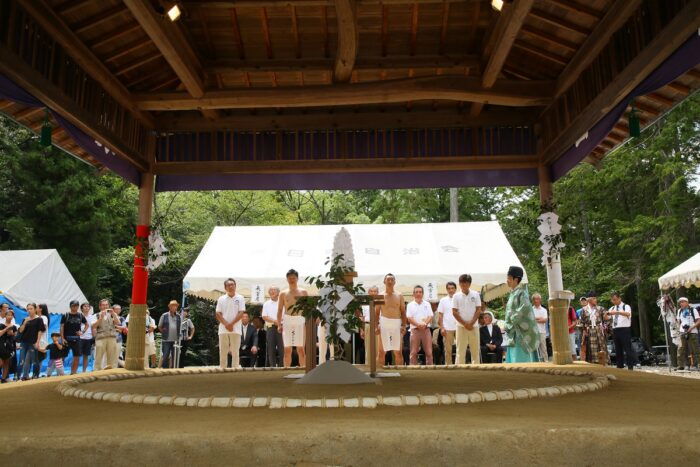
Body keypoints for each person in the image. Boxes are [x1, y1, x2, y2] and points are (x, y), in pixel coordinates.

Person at [504, 266, 539, 363]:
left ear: (516, 279)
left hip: (520, 330)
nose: (507, 281)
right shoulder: (513, 293)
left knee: (521, 357)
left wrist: (511, 319)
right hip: (513, 330)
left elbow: (524, 309)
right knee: (514, 355)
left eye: (509, 278)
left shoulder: (522, 293)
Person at [278, 269, 308, 368]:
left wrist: (308, 323)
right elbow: (279, 310)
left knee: (301, 349)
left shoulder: (303, 292)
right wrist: (279, 324)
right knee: (287, 349)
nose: (292, 280)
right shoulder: (283, 293)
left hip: (300, 320)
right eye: (290, 278)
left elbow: (308, 308)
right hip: (287, 320)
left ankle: (303, 369)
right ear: (287, 279)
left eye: (293, 278)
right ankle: (286, 369)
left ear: (297, 278)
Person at [375, 273, 406, 366]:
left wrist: (404, 325)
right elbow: (376, 313)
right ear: (384, 281)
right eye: (388, 279)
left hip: (396, 323)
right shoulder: (380, 295)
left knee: (398, 352)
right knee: (381, 352)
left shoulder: (399, 295)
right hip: (384, 322)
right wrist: (376, 326)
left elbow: (403, 312)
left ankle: (400, 372)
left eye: (392, 279)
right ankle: (380, 372)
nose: (390, 281)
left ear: (395, 282)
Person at [452, 274, 482, 365]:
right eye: (461, 284)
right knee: (460, 350)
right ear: (459, 284)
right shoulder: (456, 296)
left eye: (465, 284)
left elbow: (478, 309)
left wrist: (471, 323)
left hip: (474, 326)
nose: (463, 286)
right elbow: (454, 312)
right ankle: (459, 370)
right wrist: (465, 324)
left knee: (475, 350)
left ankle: (476, 369)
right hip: (461, 327)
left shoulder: (476, 294)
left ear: (469, 284)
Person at [216, 278, 245, 369]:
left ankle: (235, 369)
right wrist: (226, 324)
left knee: (235, 351)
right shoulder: (221, 298)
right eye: (229, 285)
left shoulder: (240, 298)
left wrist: (231, 324)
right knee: (223, 351)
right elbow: (218, 313)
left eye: (233, 284)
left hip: (236, 329)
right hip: (223, 329)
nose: (231, 286)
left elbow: (241, 313)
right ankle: (222, 369)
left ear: (235, 286)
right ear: (225, 287)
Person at [406, 285, 434, 365]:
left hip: (426, 330)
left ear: (423, 293)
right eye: (417, 292)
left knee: (429, 352)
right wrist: (418, 325)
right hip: (415, 330)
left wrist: (425, 324)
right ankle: (413, 370)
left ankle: (430, 370)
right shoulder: (410, 305)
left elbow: (430, 316)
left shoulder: (427, 304)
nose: (418, 293)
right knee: (413, 352)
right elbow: (409, 318)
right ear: (413, 294)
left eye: (420, 292)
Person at [579, 292, 609, 364]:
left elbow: (607, 319)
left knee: (601, 346)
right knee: (591, 348)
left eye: (595, 298)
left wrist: (605, 327)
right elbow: (582, 322)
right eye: (594, 298)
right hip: (589, 330)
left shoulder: (600, 308)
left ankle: (604, 362)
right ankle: (593, 363)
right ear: (589, 300)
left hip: (599, 329)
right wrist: (584, 331)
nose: (595, 300)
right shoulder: (584, 310)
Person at [18, 303, 46, 380]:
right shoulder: (25, 319)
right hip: (24, 342)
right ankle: (21, 377)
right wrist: (24, 323)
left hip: (33, 342)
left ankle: (35, 375)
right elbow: (20, 331)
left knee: (33, 360)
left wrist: (37, 342)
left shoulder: (39, 319)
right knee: (21, 360)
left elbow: (40, 331)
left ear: (35, 309)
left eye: (31, 309)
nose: (29, 310)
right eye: (28, 309)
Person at [60, 300, 87, 374]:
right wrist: (62, 338)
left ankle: (73, 373)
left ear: (78, 306)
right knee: (62, 356)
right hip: (66, 338)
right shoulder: (66, 315)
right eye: (73, 306)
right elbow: (61, 327)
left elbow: (87, 324)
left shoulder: (80, 315)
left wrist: (82, 332)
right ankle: (60, 373)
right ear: (70, 306)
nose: (75, 307)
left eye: (76, 306)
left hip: (76, 339)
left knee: (77, 356)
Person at [608, 292, 634, 370]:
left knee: (627, 349)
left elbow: (628, 314)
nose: (614, 301)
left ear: (619, 298)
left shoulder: (626, 306)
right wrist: (606, 314)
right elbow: (607, 317)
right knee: (618, 349)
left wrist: (617, 312)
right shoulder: (612, 308)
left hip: (624, 329)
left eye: (615, 299)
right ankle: (620, 366)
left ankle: (630, 367)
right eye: (613, 300)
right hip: (615, 330)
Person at [92, 299, 120, 370]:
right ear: (100, 306)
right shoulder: (96, 315)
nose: (105, 306)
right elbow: (93, 326)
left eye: (106, 305)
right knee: (98, 357)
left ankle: (111, 372)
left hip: (112, 337)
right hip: (100, 338)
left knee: (111, 357)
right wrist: (100, 318)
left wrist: (113, 314)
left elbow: (118, 323)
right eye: (103, 305)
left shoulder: (112, 314)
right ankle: (97, 371)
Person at [262, 287, 283, 367]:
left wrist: (279, 322)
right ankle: (272, 367)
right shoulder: (266, 303)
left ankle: (282, 366)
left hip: (281, 327)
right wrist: (275, 321)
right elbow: (264, 316)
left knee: (282, 348)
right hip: (271, 327)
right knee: (271, 348)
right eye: (270, 290)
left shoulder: (282, 302)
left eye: (274, 290)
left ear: (278, 292)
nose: (272, 292)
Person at [676, 297, 699, 371]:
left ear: (687, 302)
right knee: (682, 349)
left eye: (682, 302)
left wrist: (691, 327)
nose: (681, 304)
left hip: (692, 332)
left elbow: (698, 321)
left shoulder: (693, 310)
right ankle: (684, 365)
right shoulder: (679, 311)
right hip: (683, 332)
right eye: (680, 302)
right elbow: (678, 321)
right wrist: (679, 329)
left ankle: (696, 365)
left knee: (694, 349)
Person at [437, 281, 457, 365]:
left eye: (452, 288)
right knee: (448, 349)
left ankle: (459, 365)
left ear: (455, 289)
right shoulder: (443, 300)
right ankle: (448, 366)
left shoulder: (459, 298)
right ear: (446, 290)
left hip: (459, 327)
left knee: (460, 349)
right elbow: (440, 315)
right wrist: (442, 328)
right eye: (449, 288)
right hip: (447, 328)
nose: (451, 290)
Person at [159, 300, 182, 368]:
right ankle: (164, 370)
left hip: (175, 340)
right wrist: (163, 332)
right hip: (166, 339)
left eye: (176, 306)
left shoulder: (178, 316)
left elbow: (180, 326)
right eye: (173, 306)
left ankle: (172, 370)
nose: (175, 307)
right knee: (165, 355)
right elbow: (160, 326)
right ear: (170, 307)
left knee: (174, 356)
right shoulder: (164, 315)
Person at [360, 286, 379, 365]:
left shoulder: (380, 302)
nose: (373, 293)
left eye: (375, 291)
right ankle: (368, 365)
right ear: (368, 292)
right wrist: (361, 330)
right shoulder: (364, 303)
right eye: (371, 291)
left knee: (378, 348)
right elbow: (361, 317)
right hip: (367, 325)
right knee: (368, 348)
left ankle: (378, 365)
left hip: (378, 326)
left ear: (378, 293)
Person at [33, 303, 50, 377]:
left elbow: (43, 328)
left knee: (38, 358)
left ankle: (36, 374)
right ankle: (36, 374)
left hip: (41, 340)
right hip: (37, 340)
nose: (35, 308)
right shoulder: (37, 317)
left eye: (36, 307)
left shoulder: (43, 317)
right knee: (36, 358)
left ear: (40, 309)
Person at [0, 309, 17, 382]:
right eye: (8, 315)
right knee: (1, 363)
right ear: (5, 316)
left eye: (11, 315)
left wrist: (12, 334)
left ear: (13, 317)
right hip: (1, 345)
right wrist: (7, 328)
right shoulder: (1, 325)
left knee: (7, 362)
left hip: (10, 346)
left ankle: (3, 379)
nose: (10, 316)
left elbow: (16, 337)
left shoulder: (14, 327)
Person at [531, 294, 549, 362]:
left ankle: (546, 361)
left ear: (540, 300)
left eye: (537, 299)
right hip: (533, 332)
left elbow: (544, 320)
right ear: (533, 300)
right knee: (534, 349)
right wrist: (539, 319)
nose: (536, 301)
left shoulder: (544, 310)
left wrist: (535, 319)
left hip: (542, 331)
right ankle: (536, 362)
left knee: (543, 348)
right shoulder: (531, 309)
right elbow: (530, 320)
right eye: (534, 299)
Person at [79, 302, 95, 373]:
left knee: (86, 356)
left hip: (89, 338)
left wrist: (94, 338)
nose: (86, 307)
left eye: (88, 306)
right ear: (82, 308)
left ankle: (84, 371)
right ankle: (74, 371)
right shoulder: (79, 316)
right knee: (76, 355)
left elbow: (94, 327)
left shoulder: (92, 317)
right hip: (80, 338)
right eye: (85, 306)